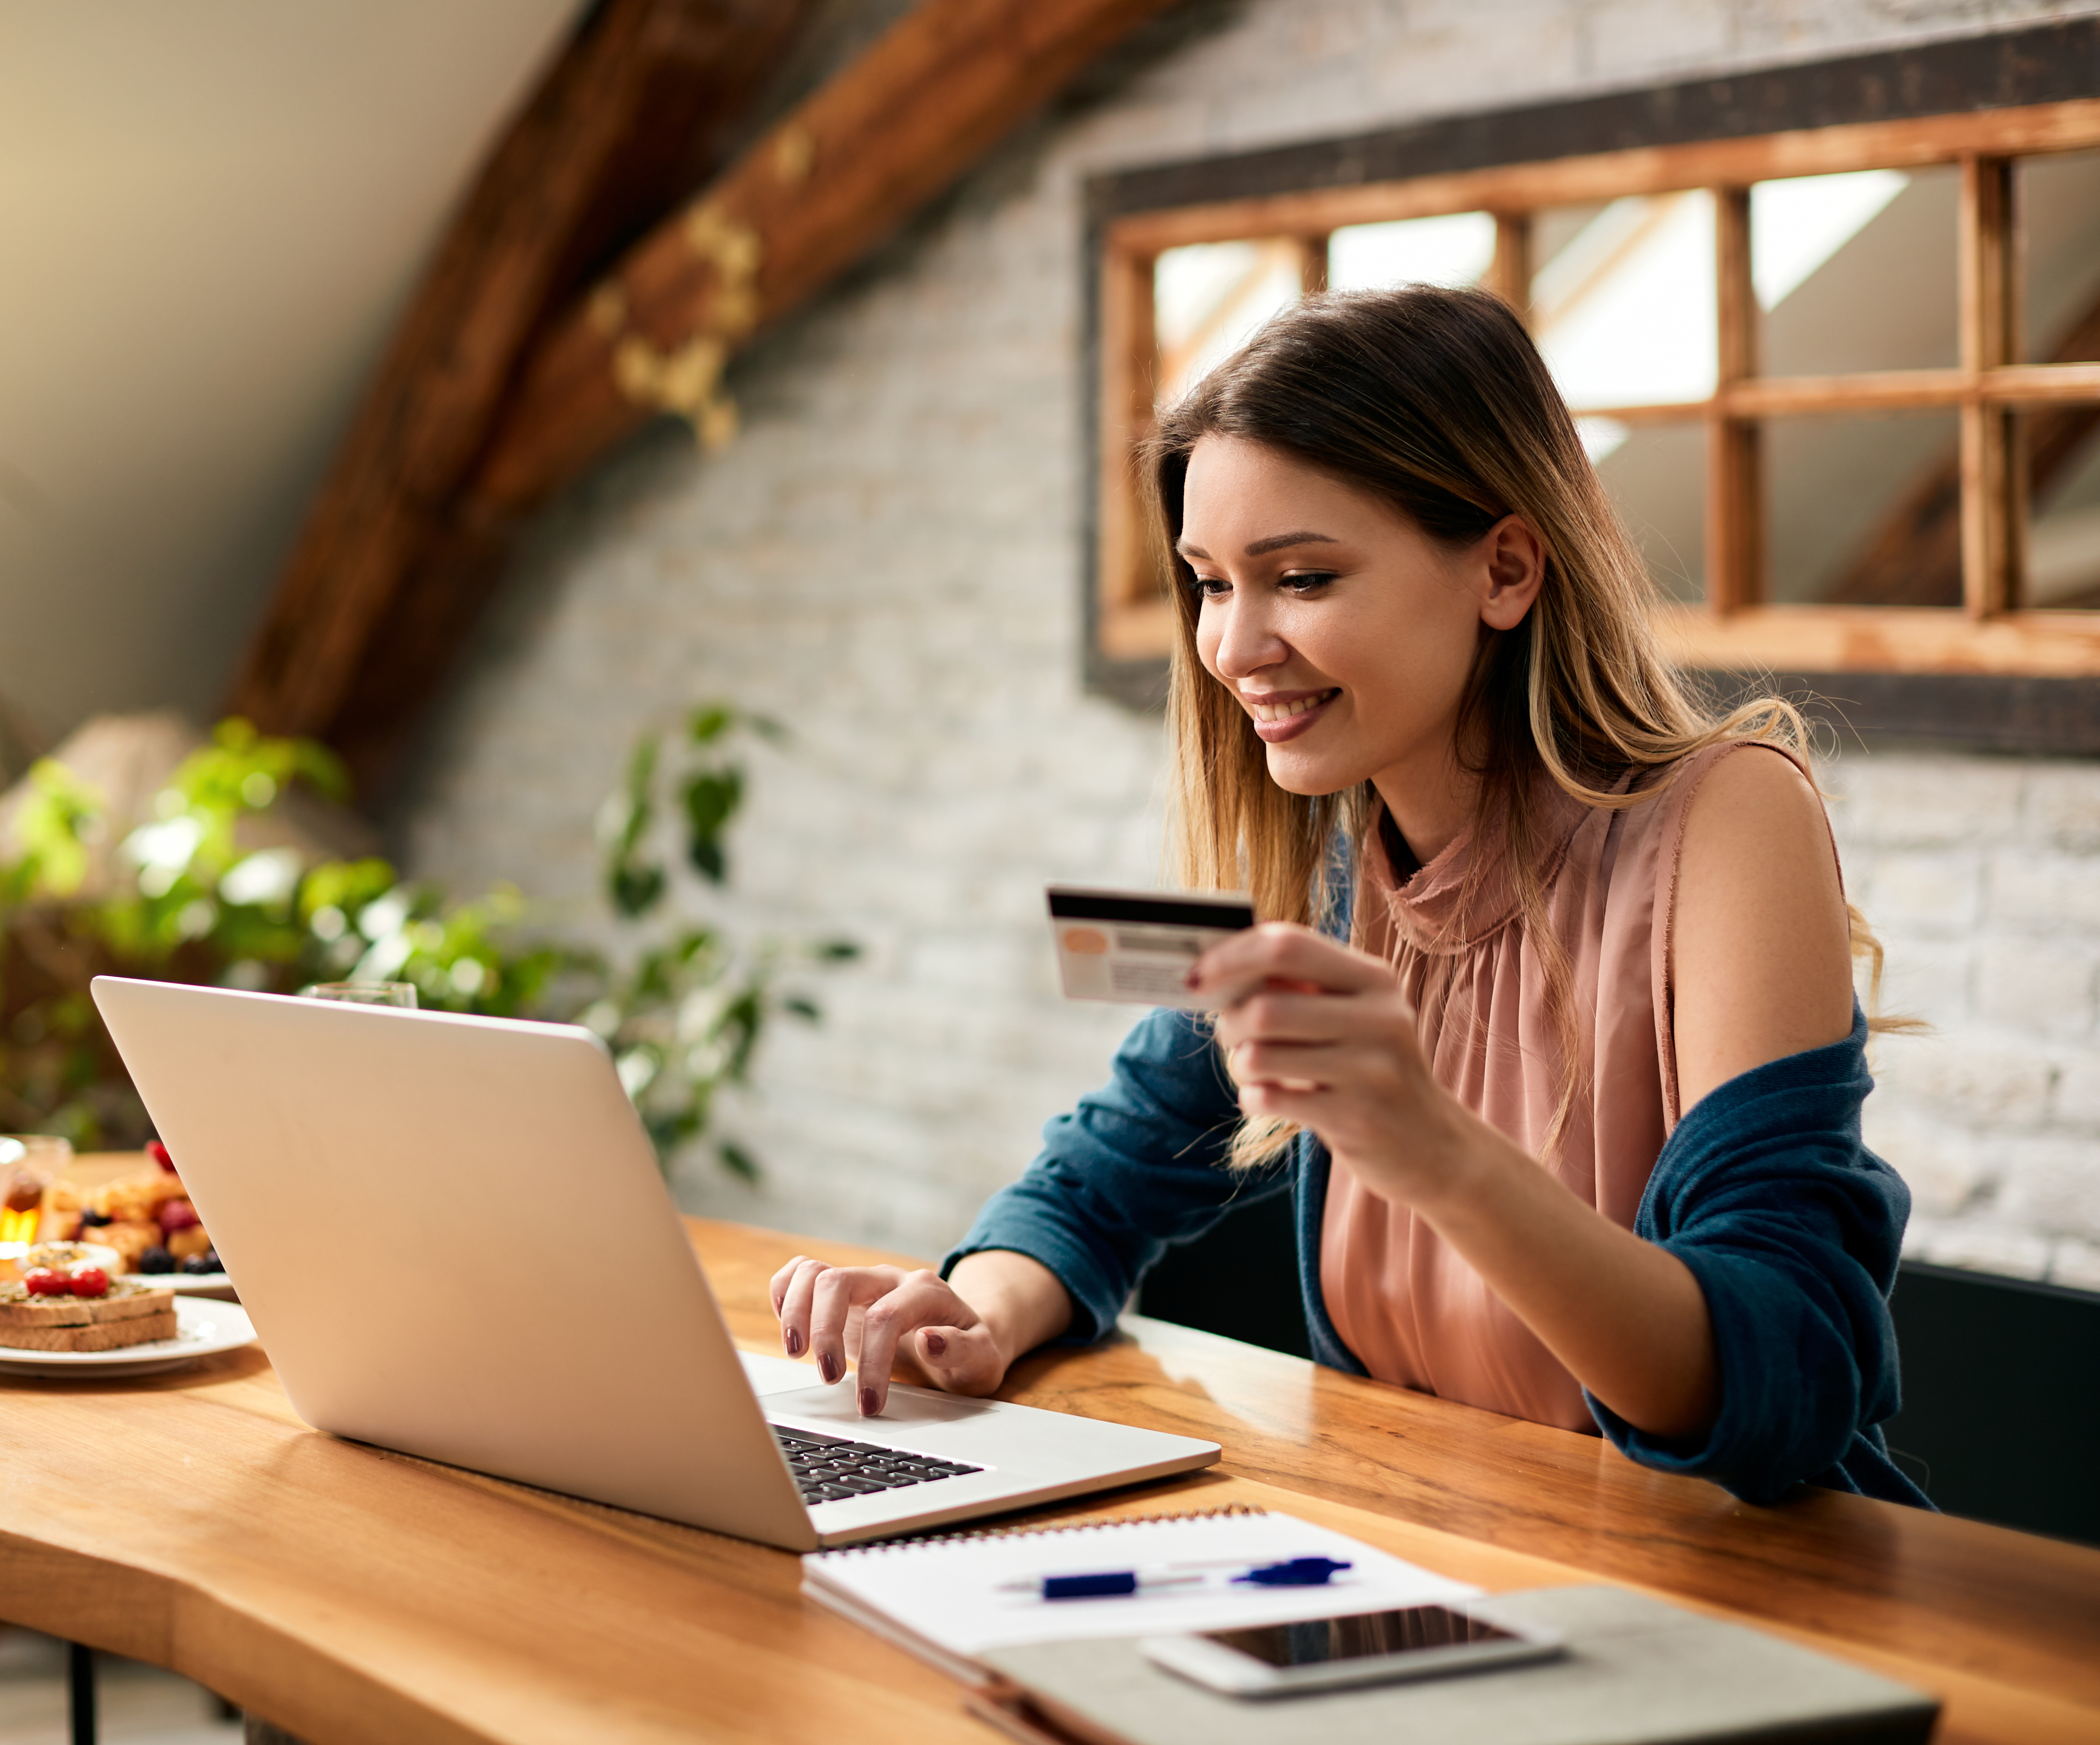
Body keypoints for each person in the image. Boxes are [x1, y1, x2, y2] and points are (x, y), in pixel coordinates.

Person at [771, 285, 1926, 1507]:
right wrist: (977, 1312)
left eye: (1303, 578)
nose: (1234, 647)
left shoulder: (1727, 819)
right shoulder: (1329, 870)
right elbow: (1102, 1177)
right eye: (1211, 583)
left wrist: (1433, 1149)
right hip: (1456, 1560)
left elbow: (1789, 1379)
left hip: (1753, 1599)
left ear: (1507, 568)